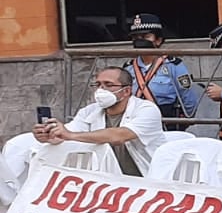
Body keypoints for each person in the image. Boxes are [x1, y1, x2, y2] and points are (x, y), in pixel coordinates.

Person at [32, 67, 163, 176]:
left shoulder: (147, 109)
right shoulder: (89, 111)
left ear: (126, 91)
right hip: (106, 180)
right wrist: (50, 135)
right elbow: (68, 135)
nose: (101, 90)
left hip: (144, 179)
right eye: (98, 84)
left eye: (108, 85)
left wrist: (70, 135)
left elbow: (119, 136)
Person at [124, 13, 200, 125]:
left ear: (158, 40)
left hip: (166, 121)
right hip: (136, 121)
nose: (139, 41)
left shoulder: (173, 65)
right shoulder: (129, 67)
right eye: (136, 38)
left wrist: (186, 120)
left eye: (145, 37)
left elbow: (187, 95)